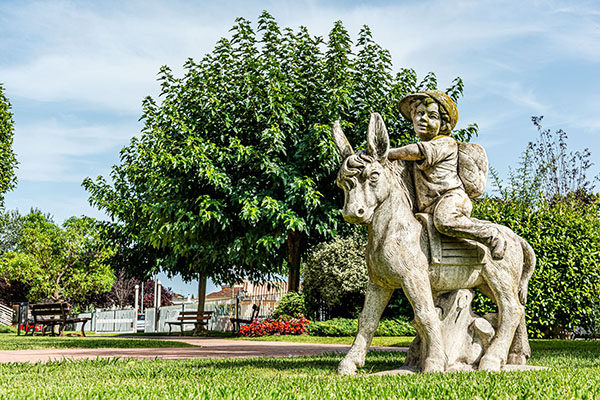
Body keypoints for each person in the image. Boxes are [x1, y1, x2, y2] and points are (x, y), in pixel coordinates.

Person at [388, 90, 506, 259]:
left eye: (432, 116)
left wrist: (386, 152)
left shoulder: (444, 143)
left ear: (443, 124)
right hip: (428, 205)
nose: (423, 119)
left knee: (445, 221)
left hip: (451, 198)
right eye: (419, 113)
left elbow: (416, 151)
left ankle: (491, 235)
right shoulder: (414, 153)